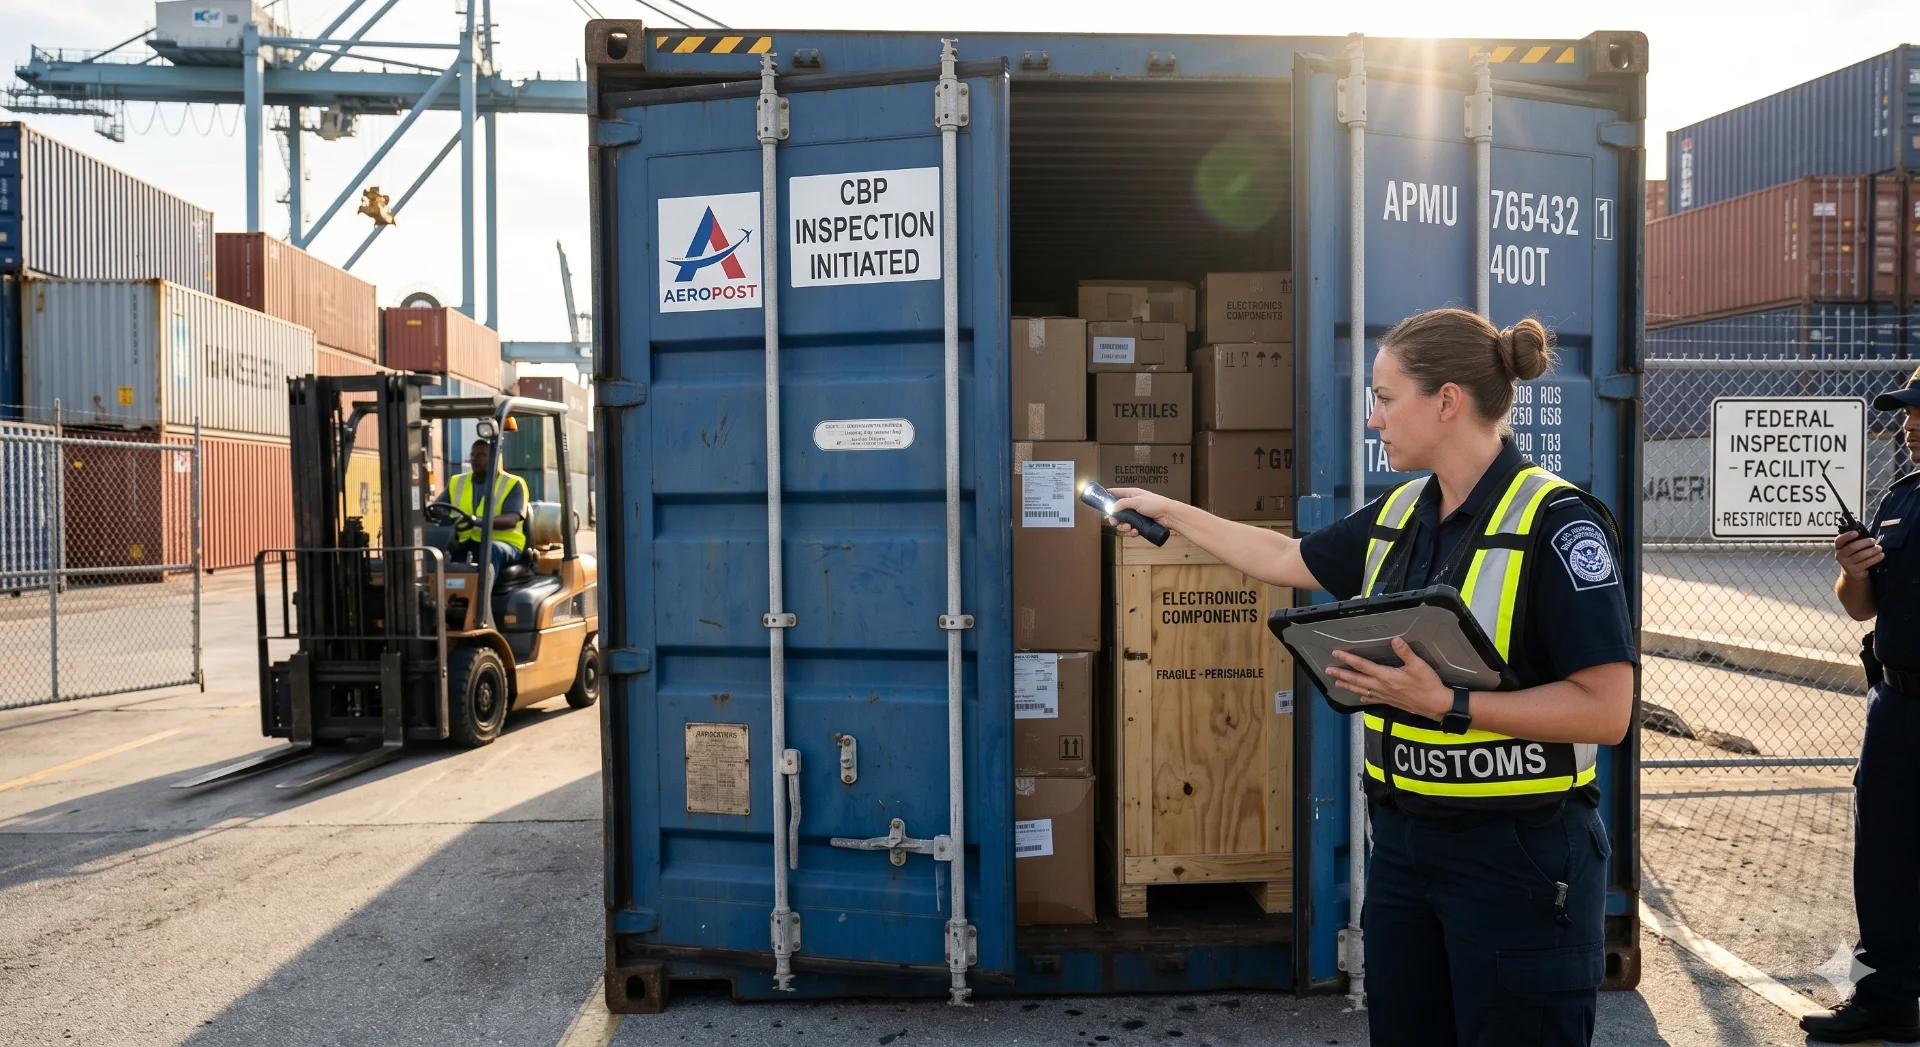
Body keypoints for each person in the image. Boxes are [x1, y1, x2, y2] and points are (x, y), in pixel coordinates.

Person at [1106, 308, 1635, 1047]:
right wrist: (1171, 510)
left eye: (1386, 397)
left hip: (1518, 856)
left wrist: (1447, 703)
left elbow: (1606, 709)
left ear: (1446, 400)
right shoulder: (1399, 515)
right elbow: (1285, 559)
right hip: (1406, 848)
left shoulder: (1559, 524)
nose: (1372, 417)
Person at [1801, 369, 1920, 1044]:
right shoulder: (1901, 499)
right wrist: (1854, 566)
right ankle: (1886, 1003)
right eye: (1905, 412)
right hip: (1896, 705)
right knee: (1883, 859)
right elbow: (1861, 607)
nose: (1910, 423)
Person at [433, 438, 527, 579]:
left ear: (496, 458)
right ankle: (436, 593)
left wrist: (478, 521)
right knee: (434, 547)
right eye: (472, 455)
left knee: (490, 549)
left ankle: (482, 599)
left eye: (482, 455)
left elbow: (511, 519)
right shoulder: (457, 481)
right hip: (466, 542)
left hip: (505, 543)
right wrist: (445, 518)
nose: (475, 459)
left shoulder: (513, 484)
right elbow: (438, 507)